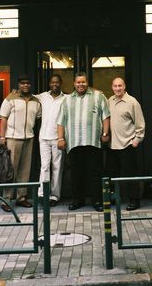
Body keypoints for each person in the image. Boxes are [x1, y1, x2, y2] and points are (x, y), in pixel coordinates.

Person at [57, 72, 110, 212]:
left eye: (83, 82)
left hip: (93, 142)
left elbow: (105, 116)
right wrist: (61, 138)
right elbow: (60, 121)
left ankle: (97, 200)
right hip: (74, 142)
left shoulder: (99, 96)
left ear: (88, 83)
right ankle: (77, 200)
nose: (81, 84)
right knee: (76, 173)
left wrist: (105, 133)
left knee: (95, 173)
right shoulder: (67, 100)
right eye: (78, 82)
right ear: (74, 84)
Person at [0, 74, 41, 212]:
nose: (25, 85)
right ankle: (6, 199)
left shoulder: (36, 101)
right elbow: (3, 118)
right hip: (12, 138)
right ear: (19, 85)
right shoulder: (10, 99)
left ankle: (21, 197)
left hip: (29, 138)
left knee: (24, 170)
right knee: (11, 170)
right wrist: (2, 137)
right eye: (22, 83)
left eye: (28, 83)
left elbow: (39, 118)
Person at [107, 77, 145, 211]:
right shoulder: (109, 101)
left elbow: (140, 124)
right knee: (113, 175)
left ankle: (134, 200)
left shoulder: (132, 102)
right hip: (112, 145)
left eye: (120, 86)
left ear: (124, 86)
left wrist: (136, 140)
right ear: (112, 87)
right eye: (115, 86)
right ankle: (114, 198)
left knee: (130, 175)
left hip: (127, 144)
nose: (118, 88)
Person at [36, 74, 66, 206]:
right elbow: (27, 95)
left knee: (57, 168)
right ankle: (42, 194)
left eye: (57, 82)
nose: (55, 84)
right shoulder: (43, 96)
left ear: (61, 84)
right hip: (43, 137)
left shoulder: (66, 98)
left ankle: (54, 196)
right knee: (44, 167)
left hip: (58, 138)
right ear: (49, 84)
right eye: (53, 82)